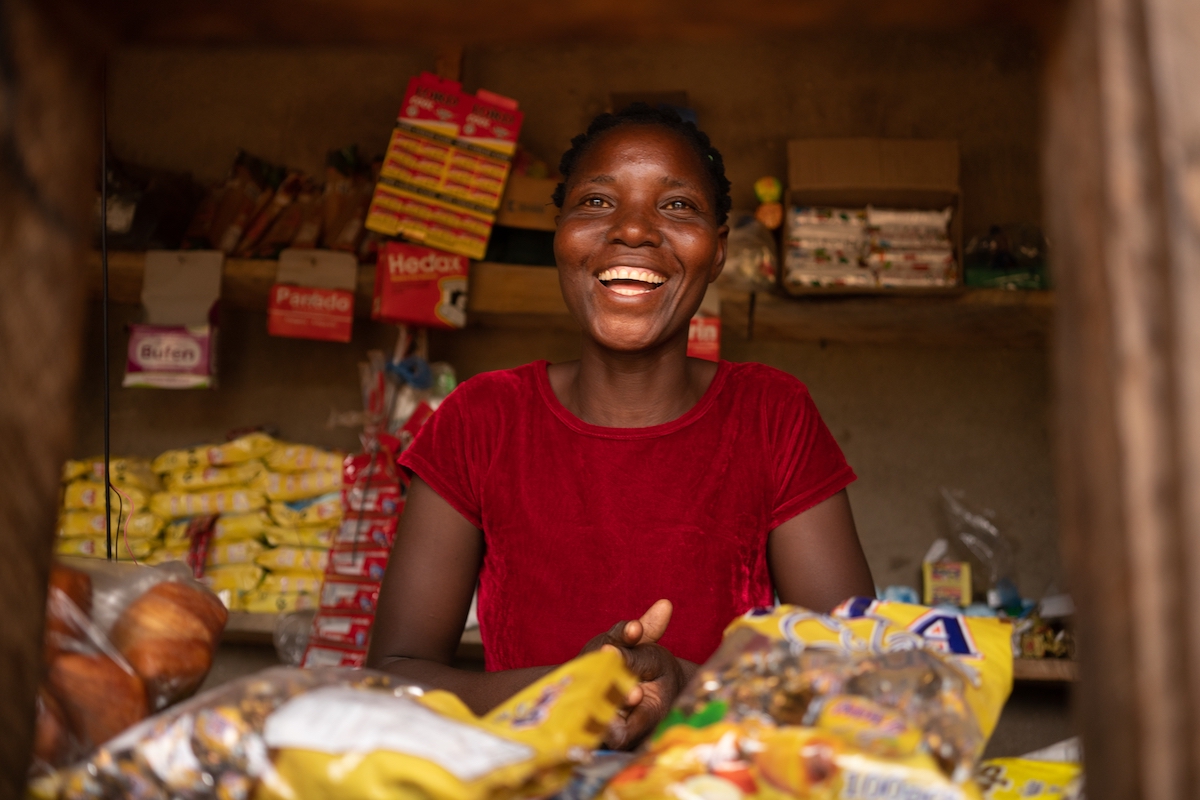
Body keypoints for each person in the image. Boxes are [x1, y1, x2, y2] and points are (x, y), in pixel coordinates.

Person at [366, 104, 875, 747]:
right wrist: (570, 690)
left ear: (717, 251)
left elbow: (859, 680)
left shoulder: (772, 415)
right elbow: (390, 678)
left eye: (678, 207)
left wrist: (684, 685)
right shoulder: (481, 419)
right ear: (561, 238)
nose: (633, 229)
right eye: (599, 201)